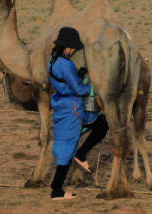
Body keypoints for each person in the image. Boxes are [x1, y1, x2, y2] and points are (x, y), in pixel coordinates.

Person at [47, 27, 109, 200]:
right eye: (71, 47)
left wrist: (78, 77)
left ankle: (80, 154)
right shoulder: (66, 64)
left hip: (62, 105)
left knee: (101, 123)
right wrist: (93, 87)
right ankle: (57, 191)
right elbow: (78, 89)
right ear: (64, 45)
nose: (73, 50)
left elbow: (63, 81)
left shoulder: (53, 59)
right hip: (73, 108)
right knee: (67, 146)